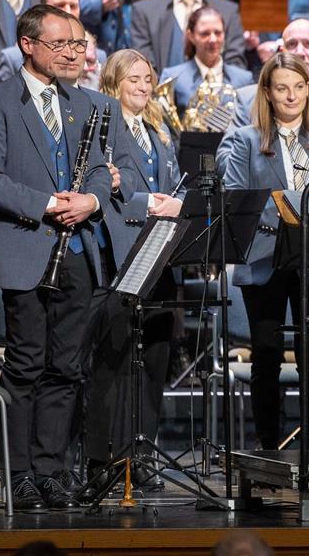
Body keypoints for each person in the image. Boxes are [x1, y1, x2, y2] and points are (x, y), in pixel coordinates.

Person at [0, 4, 113, 511]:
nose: (72, 53)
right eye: (61, 45)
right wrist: (51, 204)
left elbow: (98, 171)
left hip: (76, 252)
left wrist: (90, 201)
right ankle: (20, 473)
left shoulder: (87, 104)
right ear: (29, 45)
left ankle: (52, 470)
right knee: (26, 364)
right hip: (26, 249)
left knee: (66, 368)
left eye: (76, 46)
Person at [217, 52, 309, 450]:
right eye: (281, 88)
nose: (291, 96)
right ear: (267, 93)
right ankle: (267, 445)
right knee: (267, 353)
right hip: (264, 257)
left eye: (298, 87)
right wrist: (296, 205)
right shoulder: (245, 140)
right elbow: (239, 197)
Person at [83, 49, 184, 489]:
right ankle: (108, 457)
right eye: (134, 80)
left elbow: (173, 180)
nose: (143, 87)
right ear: (114, 83)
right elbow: (102, 188)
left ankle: (143, 453)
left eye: (148, 79)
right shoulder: (105, 128)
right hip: (122, 256)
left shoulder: (159, 132)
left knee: (154, 359)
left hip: (160, 256)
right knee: (117, 361)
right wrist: (148, 203)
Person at [0, 0, 108, 85]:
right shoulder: (13, 59)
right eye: (60, 5)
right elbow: (1, 104)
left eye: (73, 6)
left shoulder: (98, 57)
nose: (68, 12)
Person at [159, 5, 255, 111]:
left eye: (218, 33)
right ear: (191, 36)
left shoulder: (244, 79)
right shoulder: (172, 77)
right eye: (205, 34)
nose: (213, 39)